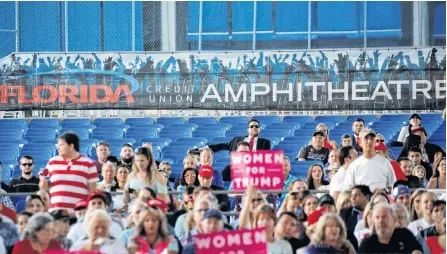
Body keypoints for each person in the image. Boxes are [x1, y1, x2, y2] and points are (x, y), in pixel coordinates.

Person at [39, 132, 98, 213]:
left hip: (78, 213)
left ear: (71, 146)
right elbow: (44, 188)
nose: (58, 148)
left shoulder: (88, 163)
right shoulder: (52, 162)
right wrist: (42, 180)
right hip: (56, 212)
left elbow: (92, 192)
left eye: (61, 145)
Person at [359, 203, 423, 253]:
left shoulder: (404, 234)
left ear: (394, 220)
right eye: (377, 217)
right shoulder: (367, 243)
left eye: (384, 217)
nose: (380, 221)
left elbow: (417, 250)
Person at [203, 120, 271, 152]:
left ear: (259, 129)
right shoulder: (237, 140)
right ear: (248, 129)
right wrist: (205, 148)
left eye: (257, 126)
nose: (254, 128)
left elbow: (267, 158)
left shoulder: (265, 142)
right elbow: (221, 146)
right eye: (251, 126)